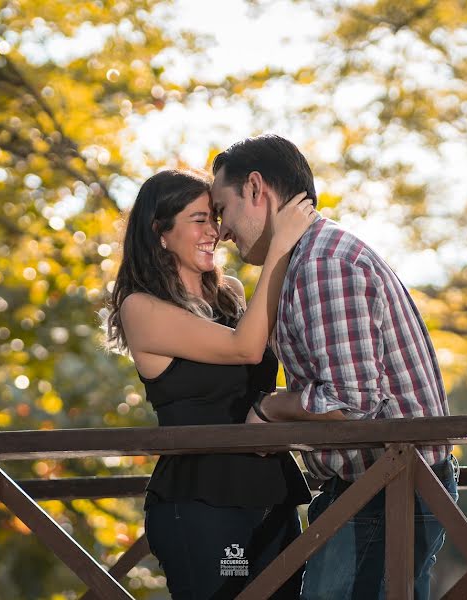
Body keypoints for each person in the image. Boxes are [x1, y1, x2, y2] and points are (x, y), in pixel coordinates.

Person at [210, 135, 458, 600]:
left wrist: (273, 409)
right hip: (372, 489)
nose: (221, 231)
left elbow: (352, 404)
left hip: (387, 491)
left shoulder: (323, 264)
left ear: (257, 188)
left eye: (223, 209)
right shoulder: (306, 259)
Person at [107, 169, 317, 599]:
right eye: (199, 219)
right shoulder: (141, 308)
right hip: (204, 503)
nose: (215, 232)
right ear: (160, 233)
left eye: (216, 216)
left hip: (273, 494)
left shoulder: (233, 294)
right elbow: (246, 349)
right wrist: (280, 244)